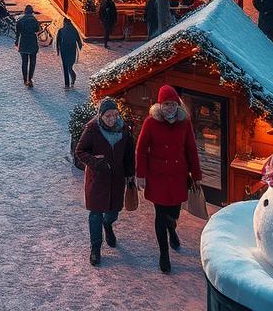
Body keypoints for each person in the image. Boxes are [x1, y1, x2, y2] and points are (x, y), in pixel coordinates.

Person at [135, 84, 202, 274]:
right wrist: (141, 175)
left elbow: (191, 149)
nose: (170, 108)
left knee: (174, 212)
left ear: (177, 105)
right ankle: (164, 254)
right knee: (160, 214)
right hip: (158, 176)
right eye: (166, 104)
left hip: (178, 175)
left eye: (172, 104)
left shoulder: (185, 122)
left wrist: (196, 175)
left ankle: (172, 228)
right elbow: (141, 149)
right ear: (160, 105)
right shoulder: (150, 122)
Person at [75, 98, 136, 267]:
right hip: (97, 179)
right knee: (95, 214)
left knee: (113, 212)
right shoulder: (92, 129)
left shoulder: (124, 130)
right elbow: (80, 151)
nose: (112, 119)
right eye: (108, 115)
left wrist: (130, 174)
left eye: (115, 115)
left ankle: (108, 225)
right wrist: (95, 162)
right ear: (100, 116)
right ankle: (95, 248)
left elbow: (129, 155)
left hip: (117, 179)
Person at [15, 4, 40, 87]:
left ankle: (25, 79)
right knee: (32, 62)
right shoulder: (34, 20)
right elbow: (37, 30)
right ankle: (30, 79)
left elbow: (17, 32)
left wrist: (16, 41)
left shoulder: (20, 20)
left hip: (23, 42)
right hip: (32, 42)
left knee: (24, 62)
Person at [56, 16, 83, 88]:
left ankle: (67, 84)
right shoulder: (74, 30)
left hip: (64, 50)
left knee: (65, 66)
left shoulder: (61, 30)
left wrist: (58, 50)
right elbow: (79, 40)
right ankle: (72, 75)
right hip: (72, 49)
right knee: (69, 65)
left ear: (64, 23)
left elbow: (58, 41)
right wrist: (79, 47)